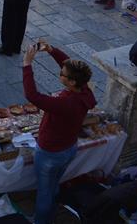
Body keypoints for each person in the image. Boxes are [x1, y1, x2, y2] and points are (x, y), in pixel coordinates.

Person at [22, 42, 96, 224]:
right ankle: (54, 211)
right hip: (69, 148)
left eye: (62, 74)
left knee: (44, 192)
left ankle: (41, 221)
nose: (60, 73)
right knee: (53, 184)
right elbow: (68, 63)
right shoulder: (84, 91)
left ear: (71, 82)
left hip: (50, 152)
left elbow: (33, 96)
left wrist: (27, 64)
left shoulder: (65, 103)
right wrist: (52, 50)